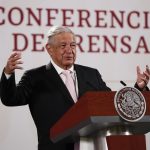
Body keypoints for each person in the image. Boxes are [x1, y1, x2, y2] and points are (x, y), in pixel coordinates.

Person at [0, 26, 149, 150]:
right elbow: (11, 99)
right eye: (63, 46)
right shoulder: (35, 77)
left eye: (73, 45)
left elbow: (111, 104)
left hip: (93, 146)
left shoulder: (91, 74)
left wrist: (138, 88)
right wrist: (8, 73)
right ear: (49, 49)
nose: (69, 50)